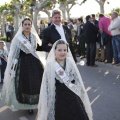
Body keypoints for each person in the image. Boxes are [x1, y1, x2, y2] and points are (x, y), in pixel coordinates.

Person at [38, 40, 93, 120]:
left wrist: (80, 91)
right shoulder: (50, 65)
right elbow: (47, 83)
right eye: (59, 50)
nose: (62, 52)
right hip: (58, 97)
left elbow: (77, 78)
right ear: (54, 51)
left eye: (65, 50)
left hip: (72, 94)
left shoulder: (70, 63)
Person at [1, 18, 44, 114]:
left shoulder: (34, 36)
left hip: (35, 62)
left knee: (37, 83)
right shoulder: (17, 38)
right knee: (27, 84)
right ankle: (29, 105)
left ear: (31, 26)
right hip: (23, 63)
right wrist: (12, 66)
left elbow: (39, 49)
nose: (27, 26)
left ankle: (37, 103)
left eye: (29, 24)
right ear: (22, 25)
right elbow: (14, 53)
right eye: (25, 24)